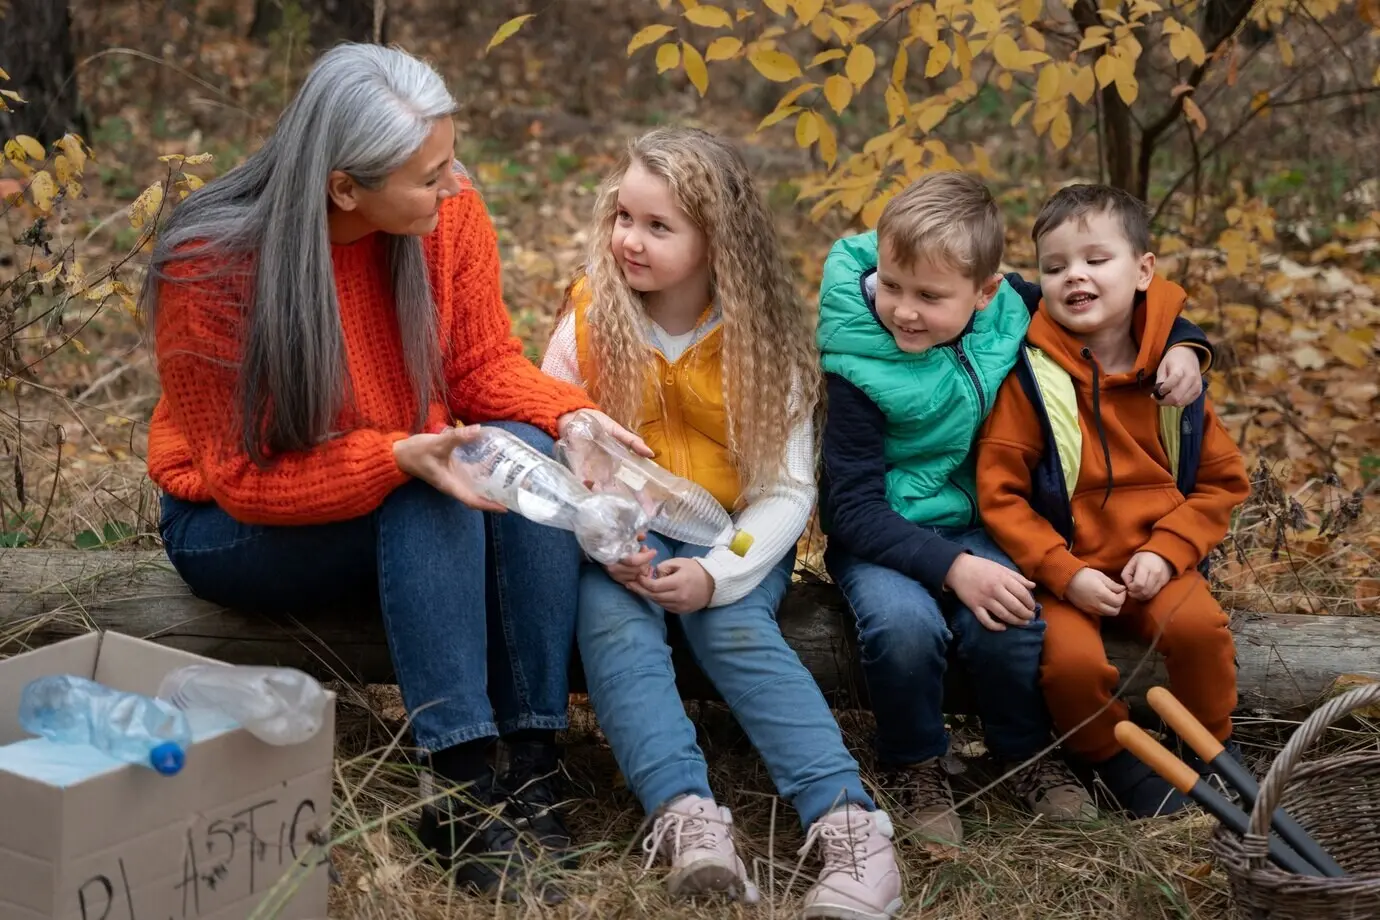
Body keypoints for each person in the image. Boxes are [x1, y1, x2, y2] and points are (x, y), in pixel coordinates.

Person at [139, 43, 647, 900]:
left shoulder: (449, 215)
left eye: (450, 160)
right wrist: (393, 457)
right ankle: (457, 784)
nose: (454, 186)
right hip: (239, 524)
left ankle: (529, 758)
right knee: (429, 483)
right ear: (345, 187)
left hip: (402, 484)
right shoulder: (211, 265)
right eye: (429, 174)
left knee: (516, 442)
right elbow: (239, 478)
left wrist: (571, 415)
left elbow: (483, 364)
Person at [541, 126, 901, 920]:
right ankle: (688, 822)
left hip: (733, 534)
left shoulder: (761, 343)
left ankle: (851, 830)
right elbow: (557, 435)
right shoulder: (591, 317)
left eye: (658, 226)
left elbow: (784, 491)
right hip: (622, 539)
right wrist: (605, 538)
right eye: (623, 217)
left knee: (732, 630)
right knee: (612, 624)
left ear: (717, 243)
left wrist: (718, 573)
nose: (628, 240)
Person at [816, 172, 1215, 845]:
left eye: (930, 297)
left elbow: (1109, 306)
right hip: (884, 532)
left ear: (985, 292)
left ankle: (1023, 751)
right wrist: (953, 568)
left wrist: (1187, 344)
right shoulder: (857, 358)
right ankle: (913, 761)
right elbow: (849, 507)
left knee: (1016, 618)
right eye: (892, 286)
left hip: (989, 521)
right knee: (904, 629)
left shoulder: (1013, 309)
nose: (904, 310)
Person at [976, 183, 1249, 817]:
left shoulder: (1176, 377)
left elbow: (1220, 481)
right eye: (1054, 266)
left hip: (1158, 561)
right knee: (1069, 665)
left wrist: (1170, 549)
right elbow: (1002, 495)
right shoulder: (1031, 375)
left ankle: (1209, 751)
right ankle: (1109, 758)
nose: (1075, 276)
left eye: (1097, 260)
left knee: (1201, 631)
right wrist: (1064, 575)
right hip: (1065, 569)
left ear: (1143, 269)